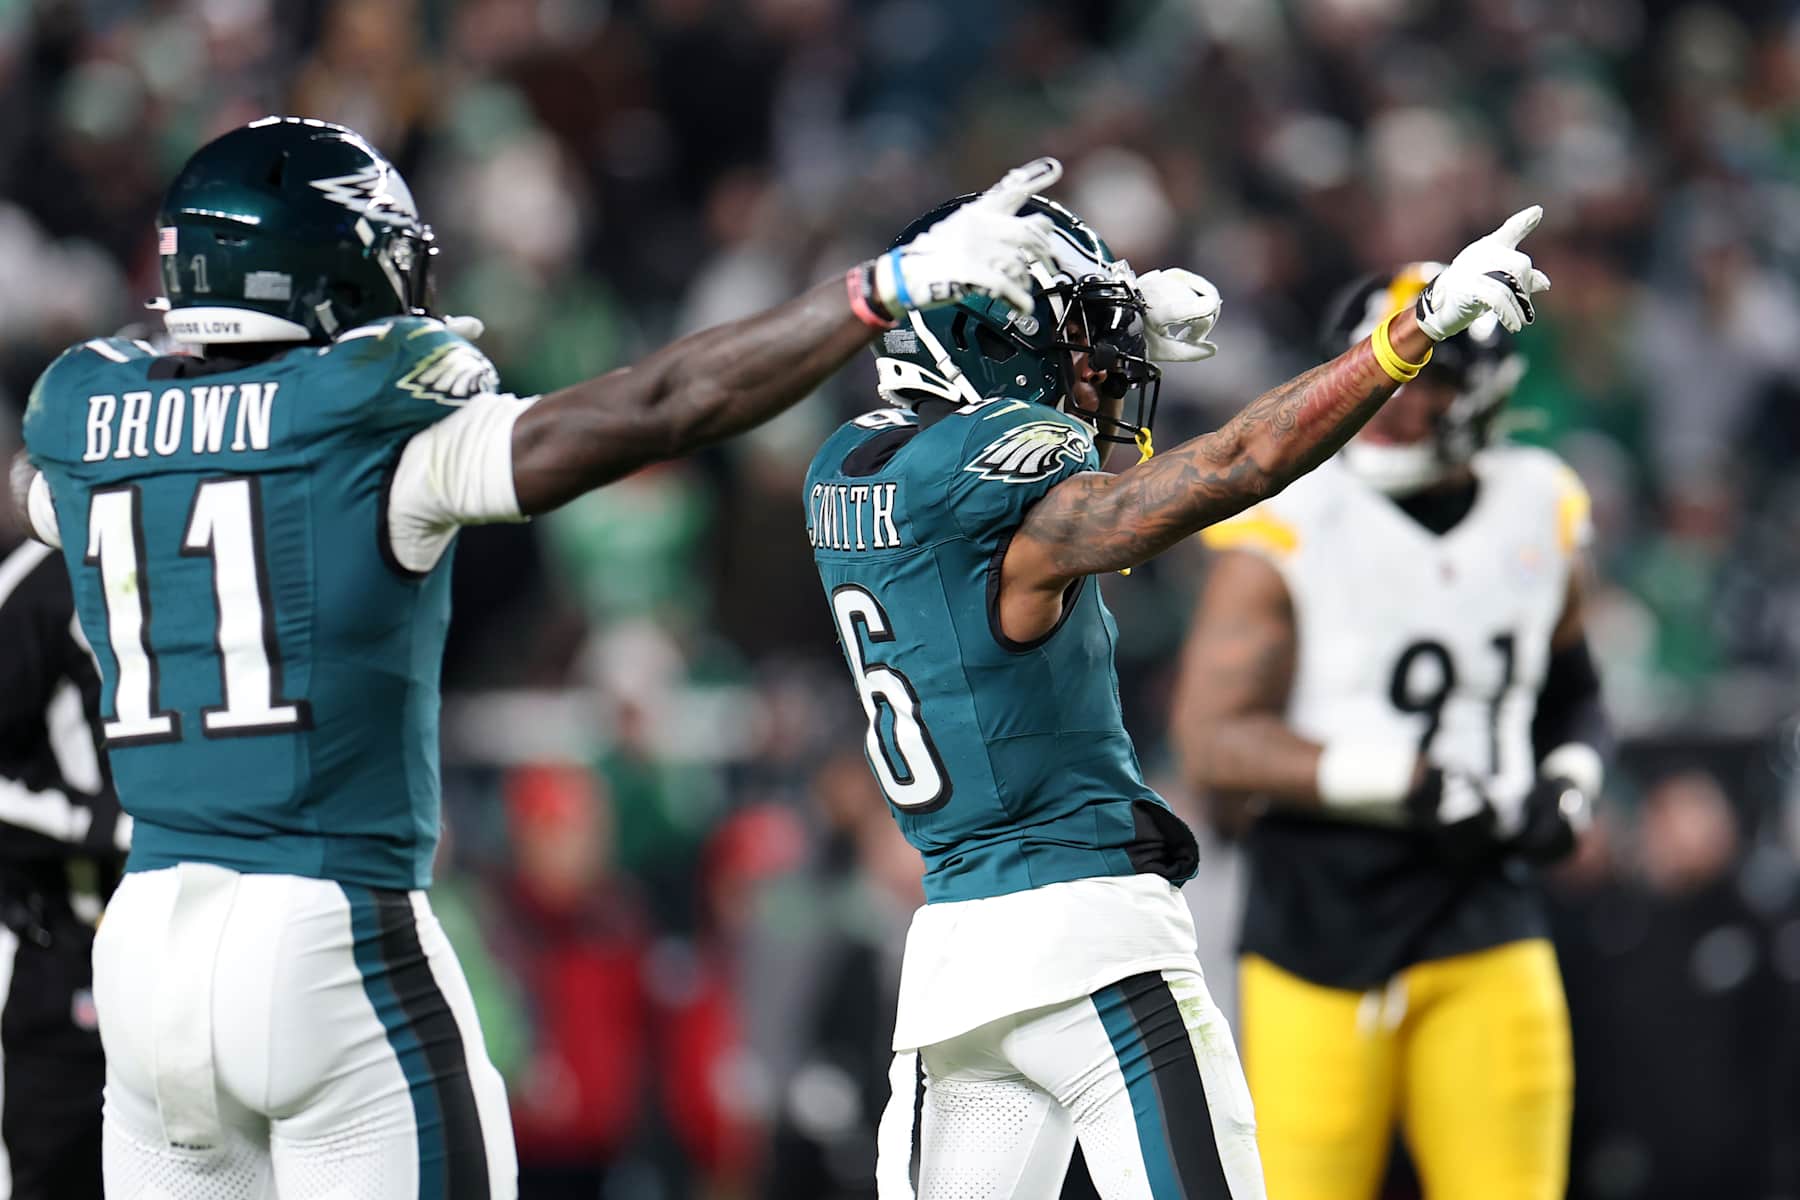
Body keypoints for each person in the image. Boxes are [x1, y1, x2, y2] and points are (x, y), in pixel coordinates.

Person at [7, 116, 1058, 1199]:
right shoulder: (370, 424)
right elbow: (661, 405)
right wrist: (879, 289)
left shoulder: (88, 426)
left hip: (141, 956)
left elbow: (47, 498)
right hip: (323, 931)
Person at [803, 175, 1552, 1198]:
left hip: (951, 970)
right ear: (991, 339)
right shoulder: (1007, 492)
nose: (1090, 372)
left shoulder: (849, 470)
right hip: (1091, 946)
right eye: (1064, 344)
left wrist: (1104, 352)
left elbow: (1044, 522)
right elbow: (1237, 464)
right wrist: (1403, 338)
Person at [1171, 265, 1610, 1200]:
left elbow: (1576, 695)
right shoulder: (1294, 515)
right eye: (1386, 374)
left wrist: (1570, 779)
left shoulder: (1539, 499)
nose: (1394, 406)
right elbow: (1212, 737)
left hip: (1486, 903)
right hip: (1321, 919)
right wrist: (1398, 779)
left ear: (1481, 388)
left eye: (1429, 379)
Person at [0, 532, 129, 1200]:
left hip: (216, 944)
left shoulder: (238, 536)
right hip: (68, 947)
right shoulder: (38, 587)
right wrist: (102, 822)